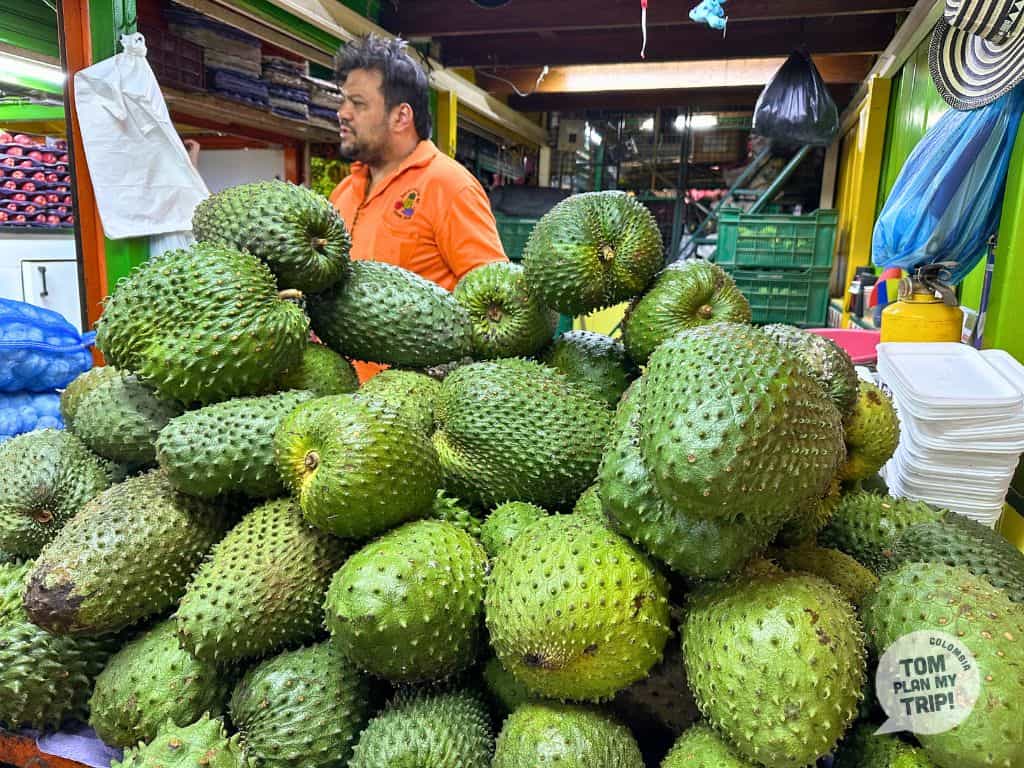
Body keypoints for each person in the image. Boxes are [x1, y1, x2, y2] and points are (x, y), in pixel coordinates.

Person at [330, 34, 508, 292]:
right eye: (343, 101)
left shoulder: (450, 187)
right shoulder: (343, 193)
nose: (342, 113)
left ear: (401, 117)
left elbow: (496, 296)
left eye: (358, 103)